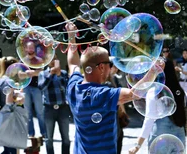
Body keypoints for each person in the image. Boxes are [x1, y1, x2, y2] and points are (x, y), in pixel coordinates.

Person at [65, 22, 151, 154]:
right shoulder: (101, 94)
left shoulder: (73, 86)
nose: (111, 68)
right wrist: (154, 71)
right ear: (101, 67)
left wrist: (71, 36)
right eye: (108, 64)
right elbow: (134, 94)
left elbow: (72, 63)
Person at [129, 56, 187, 154]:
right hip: (179, 133)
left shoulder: (154, 91)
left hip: (160, 134)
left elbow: (149, 119)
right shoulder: (180, 90)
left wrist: (137, 145)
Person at [0, 56, 25, 154]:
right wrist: (19, 99)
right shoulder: (10, 81)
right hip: (8, 118)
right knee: (11, 150)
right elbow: (8, 101)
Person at [38, 58, 71, 154]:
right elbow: (42, 87)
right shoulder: (43, 74)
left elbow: (67, 87)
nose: (53, 62)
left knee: (66, 138)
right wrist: (50, 75)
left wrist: (59, 75)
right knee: (49, 139)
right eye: (51, 60)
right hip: (49, 108)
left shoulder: (63, 73)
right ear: (47, 62)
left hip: (63, 108)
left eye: (55, 59)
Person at [22, 41, 47, 141]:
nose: (31, 49)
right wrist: (31, 73)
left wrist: (30, 73)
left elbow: (41, 72)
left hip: (37, 87)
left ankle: (44, 133)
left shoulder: (39, 60)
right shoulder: (23, 60)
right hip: (26, 87)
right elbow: (20, 74)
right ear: (26, 49)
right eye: (29, 48)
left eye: (32, 47)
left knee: (40, 111)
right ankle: (31, 134)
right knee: (28, 112)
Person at [106, 65, 130, 154]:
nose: (115, 69)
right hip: (110, 116)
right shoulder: (105, 83)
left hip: (116, 114)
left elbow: (121, 99)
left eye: (116, 67)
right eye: (113, 67)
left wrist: (123, 112)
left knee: (119, 136)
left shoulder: (114, 79)